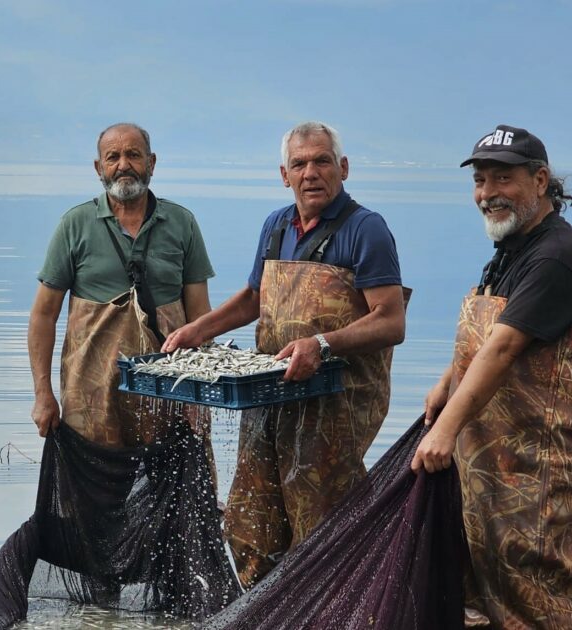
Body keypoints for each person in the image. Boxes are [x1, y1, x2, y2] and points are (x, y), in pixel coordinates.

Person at [162, 121, 407, 588]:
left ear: (344, 168)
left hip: (335, 409)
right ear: (284, 174)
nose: (310, 172)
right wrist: (198, 330)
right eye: (299, 163)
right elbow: (254, 299)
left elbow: (390, 321)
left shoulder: (366, 229)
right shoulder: (275, 226)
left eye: (321, 161)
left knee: (323, 530)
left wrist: (322, 344)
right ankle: (264, 609)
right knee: (252, 523)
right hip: (269, 403)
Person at [411, 124, 572, 628]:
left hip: (541, 463)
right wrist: (445, 382)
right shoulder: (511, 251)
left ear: (541, 180)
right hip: (496, 461)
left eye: (503, 178)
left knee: (532, 592)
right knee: (481, 595)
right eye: (480, 181)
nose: (487, 194)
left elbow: (502, 348)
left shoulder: (557, 256)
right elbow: (487, 334)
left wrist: (444, 430)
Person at [28, 122, 214, 447]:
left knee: (173, 489)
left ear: (152, 163)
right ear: (99, 168)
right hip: (89, 398)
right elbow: (43, 315)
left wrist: (200, 394)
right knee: (91, 493)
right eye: (112, 157)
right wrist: (43, 394)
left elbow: (200, 316)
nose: (123, 165)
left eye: (133, 155)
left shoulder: (182, 223)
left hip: (169, 392)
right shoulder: (74, 225)